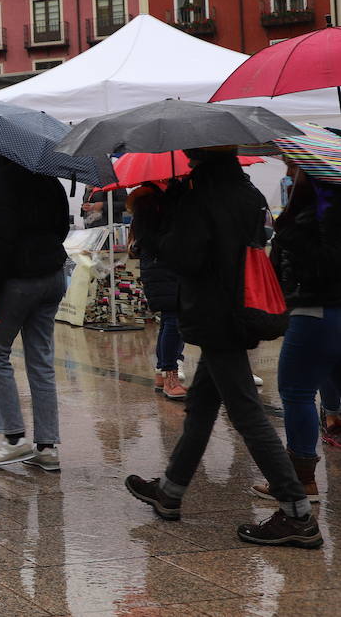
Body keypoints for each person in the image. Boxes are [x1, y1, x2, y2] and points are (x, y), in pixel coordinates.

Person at [125, 148, 320, 549]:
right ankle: (170, 490)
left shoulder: (203, 197)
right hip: (237, 308)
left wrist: (150, 223)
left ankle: (297, 513)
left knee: (247, 414)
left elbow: (187, 256)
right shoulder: (246, 192)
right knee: (201, 407)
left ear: (199, 156)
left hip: (217, 316)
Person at [248, 169, 341, 504]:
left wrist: (289, 232)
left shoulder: (316, 216)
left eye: (295, 169)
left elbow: (324, 266)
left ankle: (302, 482)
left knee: (297, 393)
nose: (289, 174)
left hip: (316, 312)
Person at [0, 151, 70, 472]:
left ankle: (14, 439)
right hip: (53, 275)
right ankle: (47, 446)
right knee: (41, 359)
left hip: (19, 280)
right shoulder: (49, 178)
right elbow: (61, 227)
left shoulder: (1, 183)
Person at [129, 184, 186, 400]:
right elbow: (147, 239)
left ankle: (163, 373)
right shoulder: (148, 201)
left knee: (171, 320)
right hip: (160, 269)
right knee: (174, 321)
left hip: (166, 268)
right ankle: (170, 377)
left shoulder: (167, 198)